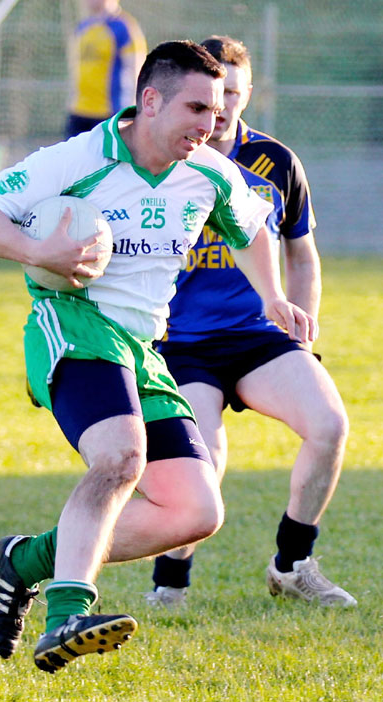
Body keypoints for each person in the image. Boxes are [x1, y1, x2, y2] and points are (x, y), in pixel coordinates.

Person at [0, 40, 316, 675]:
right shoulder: (81, 158)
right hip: (73, 322)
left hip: (144, 346)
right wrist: (38, 252)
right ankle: (68, 610)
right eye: (196, 107)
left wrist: (274, 298)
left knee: (196, 511)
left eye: (218, 108)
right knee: (121, 456)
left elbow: (254, 227)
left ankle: (27, 560)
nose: (210, 123)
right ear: (150, 101)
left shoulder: (208, 170)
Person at [145, 35, 356, 609]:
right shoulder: (160, 158)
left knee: (329, 425)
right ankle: (170, 585)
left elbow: (301, 252)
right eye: (211, 99)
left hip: (260, 336)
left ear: (246, 93)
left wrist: (302, 321)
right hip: (182, 342)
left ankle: (293, 564)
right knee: (204, 461)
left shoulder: (277, 162)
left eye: (233, 95)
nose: (221, 111)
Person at [64, 0, 146, 139]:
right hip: (79, 111)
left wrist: (132, 111)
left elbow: (136, 71)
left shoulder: (123, 27)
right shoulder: (82, 28)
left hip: (109, 114)